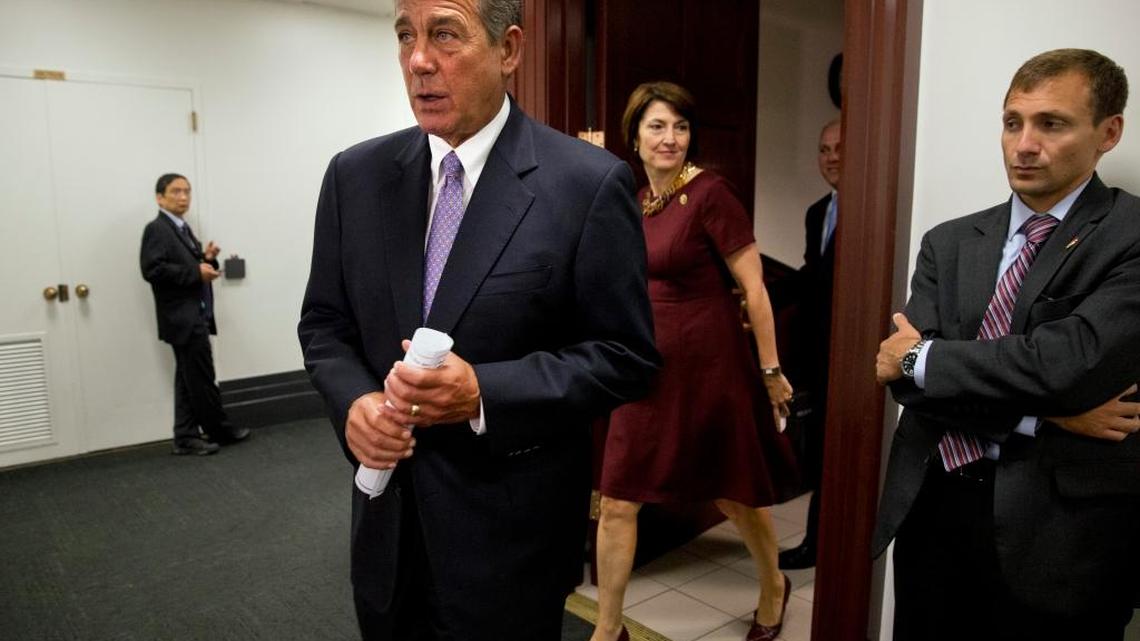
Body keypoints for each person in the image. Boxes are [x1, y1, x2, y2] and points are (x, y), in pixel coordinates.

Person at [296, 1, 659, 639]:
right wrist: (354, 403)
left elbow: (624, 357)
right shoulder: (355, 176)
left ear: (508, 49)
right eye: (405, 36)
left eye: (444, 34)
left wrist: (483, 393)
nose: (418, 60)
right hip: (386, 531)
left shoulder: (587, 184)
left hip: (510, 543)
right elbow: (324, 323)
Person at [873, 48, 1140, 641]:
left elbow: (1067, 364)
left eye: (1052, 124)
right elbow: (907, 388)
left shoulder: (1129, 235)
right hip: (935, 509)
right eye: (1012, 122)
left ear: (1108, 132)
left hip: (1061, 537)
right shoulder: (949, 242)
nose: (1024, 145)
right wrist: (1047, 416)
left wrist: (923, 357)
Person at [591, 81, 799, 641]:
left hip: (709, 369)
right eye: (657, 126)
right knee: (617, 499)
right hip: (644, 371)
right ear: (635, 135)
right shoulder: (636, 200)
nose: (670, 138)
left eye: (680, 127)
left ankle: (772, 586)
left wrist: (771, 371)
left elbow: (755, 289)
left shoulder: (711, 193)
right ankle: (608, 629)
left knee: (733, 495)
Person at [140, 173, 250, 456]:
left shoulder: (181, 228)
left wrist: (207, 258)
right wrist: (195, 271)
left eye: (187, 191)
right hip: (182, 318)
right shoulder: (157, 229)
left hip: (192, 316)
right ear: (159, 197)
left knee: (188, 378)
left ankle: (186, 435)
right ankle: (217, 429)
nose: (183, 197)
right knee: (200, 378)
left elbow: (187, 266)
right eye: (176, 191)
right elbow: (152, 269)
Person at [779, 118, 841, 570]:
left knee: (837, 453)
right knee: (817, 450)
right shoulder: (818, 212)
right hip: (816, 353)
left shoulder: (870, 207)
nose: (831, 157)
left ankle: (823, 545)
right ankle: (817, 543)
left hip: (851, 355)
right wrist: (756, 296)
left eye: (840, 148)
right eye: (824, 149)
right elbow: (811, 277)